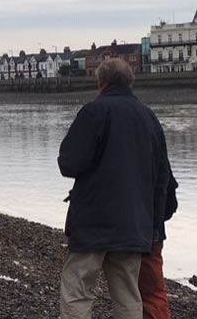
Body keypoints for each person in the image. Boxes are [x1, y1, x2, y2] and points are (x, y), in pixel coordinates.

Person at [58, 58, 170, 319]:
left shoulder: (93, 112)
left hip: (92, 222)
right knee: (128, 295)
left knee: (78, 290)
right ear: (131, 81)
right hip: (134, 223)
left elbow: (69, 163)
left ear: (101, 82)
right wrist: (154, 224)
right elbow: (162, 176)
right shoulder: (149, 117)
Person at [139, 168, 178, 319]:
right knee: (152, 293)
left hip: (111, 229)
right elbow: (170, 199)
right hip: (151, 232)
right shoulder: (155, 144)